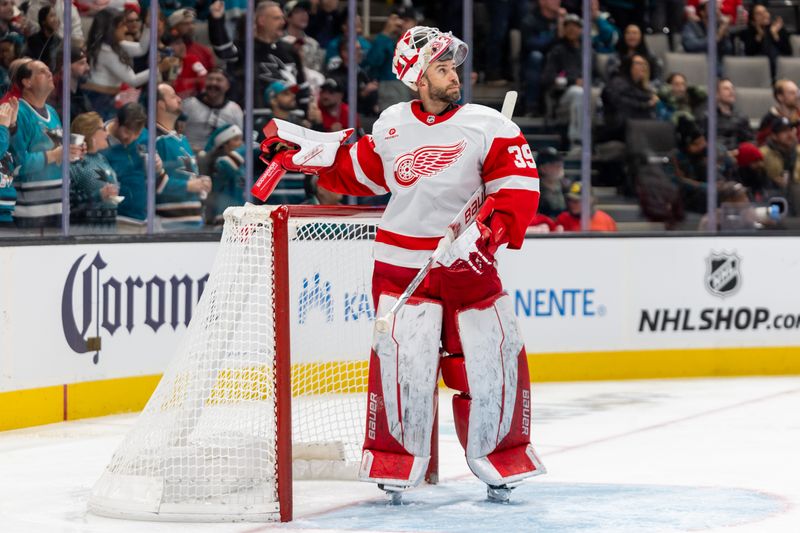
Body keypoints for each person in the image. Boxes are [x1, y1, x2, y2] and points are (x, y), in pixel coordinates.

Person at [259, 25, 544, 502]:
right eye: (441, 67)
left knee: (490, 358)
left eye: (452, 66)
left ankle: (501, 458)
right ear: (417, 77)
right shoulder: (392, 123)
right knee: (402, 366)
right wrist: (303, 158)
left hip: (468, 268)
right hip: (399, 267)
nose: (453, 75)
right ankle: (395, 462)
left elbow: (518, 186)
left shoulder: (489, 124)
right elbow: (361, 170)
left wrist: (486, 237)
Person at [10, 60, 83, 229]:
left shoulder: (51, 112)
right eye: (42, 71)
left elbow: (59, 153)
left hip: (58, 207)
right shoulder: (18, 113)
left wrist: (72, 153)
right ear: (27, 82)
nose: (50, 73)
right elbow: (16, 165)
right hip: (29, 213)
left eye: (49, 70)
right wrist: (55, 155)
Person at [208, 0, 307, 109]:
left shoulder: (290, 49)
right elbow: (223, 50)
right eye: (276, 18)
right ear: (261, 21)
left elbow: (302, 86)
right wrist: (216, 20)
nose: (283, 22)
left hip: (288, 119)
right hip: (253, 117)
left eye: (282, 18)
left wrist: (307, 112)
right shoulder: (245, 48)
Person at [155, 82, 211, 229]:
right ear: (161, 104)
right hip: (169, 223)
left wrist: (201, 184)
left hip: (195, 219)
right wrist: (189, 186)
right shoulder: (155, 140)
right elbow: (154, 185)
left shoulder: (182, 139)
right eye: (173, 96)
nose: (179, 99)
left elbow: (187, 176)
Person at [103, 102, 166, 232]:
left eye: (136, 133)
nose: (130, 138)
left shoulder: (146, 137)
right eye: (126, 131)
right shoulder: (99, 137)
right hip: (113, 219)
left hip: (144, 219)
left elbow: (155, 176)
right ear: (116, 122)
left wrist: (158, 168)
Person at [84, 8, 151, 119]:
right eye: (122, 25)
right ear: (111, 29)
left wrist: (148, 27)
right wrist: (158, 69)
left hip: (106, 97)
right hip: (99, 99)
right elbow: (132, 80)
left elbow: (141, 49)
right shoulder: (105, 51)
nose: (126, 29)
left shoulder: (114, 45)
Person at [69, 112, 120, 232]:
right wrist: (99, 196)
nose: (107, 133)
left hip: (109, 229)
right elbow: (69, 205)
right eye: (103, 129)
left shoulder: (101, 158)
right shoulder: (75, 163)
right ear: (90, 132)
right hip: (85, 233)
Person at [182, 67, 243, 153]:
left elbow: (239, 139)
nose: (213, 83)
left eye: (219, 80)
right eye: (210, 79)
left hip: (222, 158)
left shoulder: (234, 109)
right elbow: (178, 131)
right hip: (191, 155)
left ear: (227, 86)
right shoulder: (189, 104)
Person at [601, 54, 659, 142]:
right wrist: (647, 104)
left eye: (644, 64)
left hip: (637, 127)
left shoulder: (643, 90)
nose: (643, 67)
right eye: (639, 63)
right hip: (618, 127)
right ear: (629, 66)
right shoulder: (618, 82)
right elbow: (623, 104)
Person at [204, 123, 244, 224]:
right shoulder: (221, 163)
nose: (241, 143)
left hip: (237, 214)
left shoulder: (239, 163)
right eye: (236, 139)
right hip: (223, 217)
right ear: (225, 144)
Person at [759, 115, 800, 214]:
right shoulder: (762, 154)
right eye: (784, 131)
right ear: (774, 136)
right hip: (773, 198)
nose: (790, 134)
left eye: (791, 130)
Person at [739, 3, 790, 80]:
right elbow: (749, 53)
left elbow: (788, 52)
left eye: (765, 12)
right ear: (753, 18)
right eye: (759, 13)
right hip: (756, 69)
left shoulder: (779, 30)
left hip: (780, 68)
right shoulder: (748, 32)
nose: (764, 15)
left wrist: (775, 35)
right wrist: (759, 36)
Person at [757, 79, 800, 146]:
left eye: (797, 92)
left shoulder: (798, 115)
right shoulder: (769, 120)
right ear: (780, 97)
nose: (797, 96)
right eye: (791, 93)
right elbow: (761, 144)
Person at [23, 5, 61, 71]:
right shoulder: (32, 41)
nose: (56, 19)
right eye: (52, 16)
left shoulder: (58, 41)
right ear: (43, 21)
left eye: (55, 16)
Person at [535, 147, 567, 218]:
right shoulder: (535, 189)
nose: (560, 167)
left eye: (560, 164)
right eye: (554, 164)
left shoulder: (565, 187)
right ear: (542, 168)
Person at [0, 96, 17, 226]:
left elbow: (19, 158)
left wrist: (12, 125)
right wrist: (3, 128)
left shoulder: (3, 136)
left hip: (7, 214)